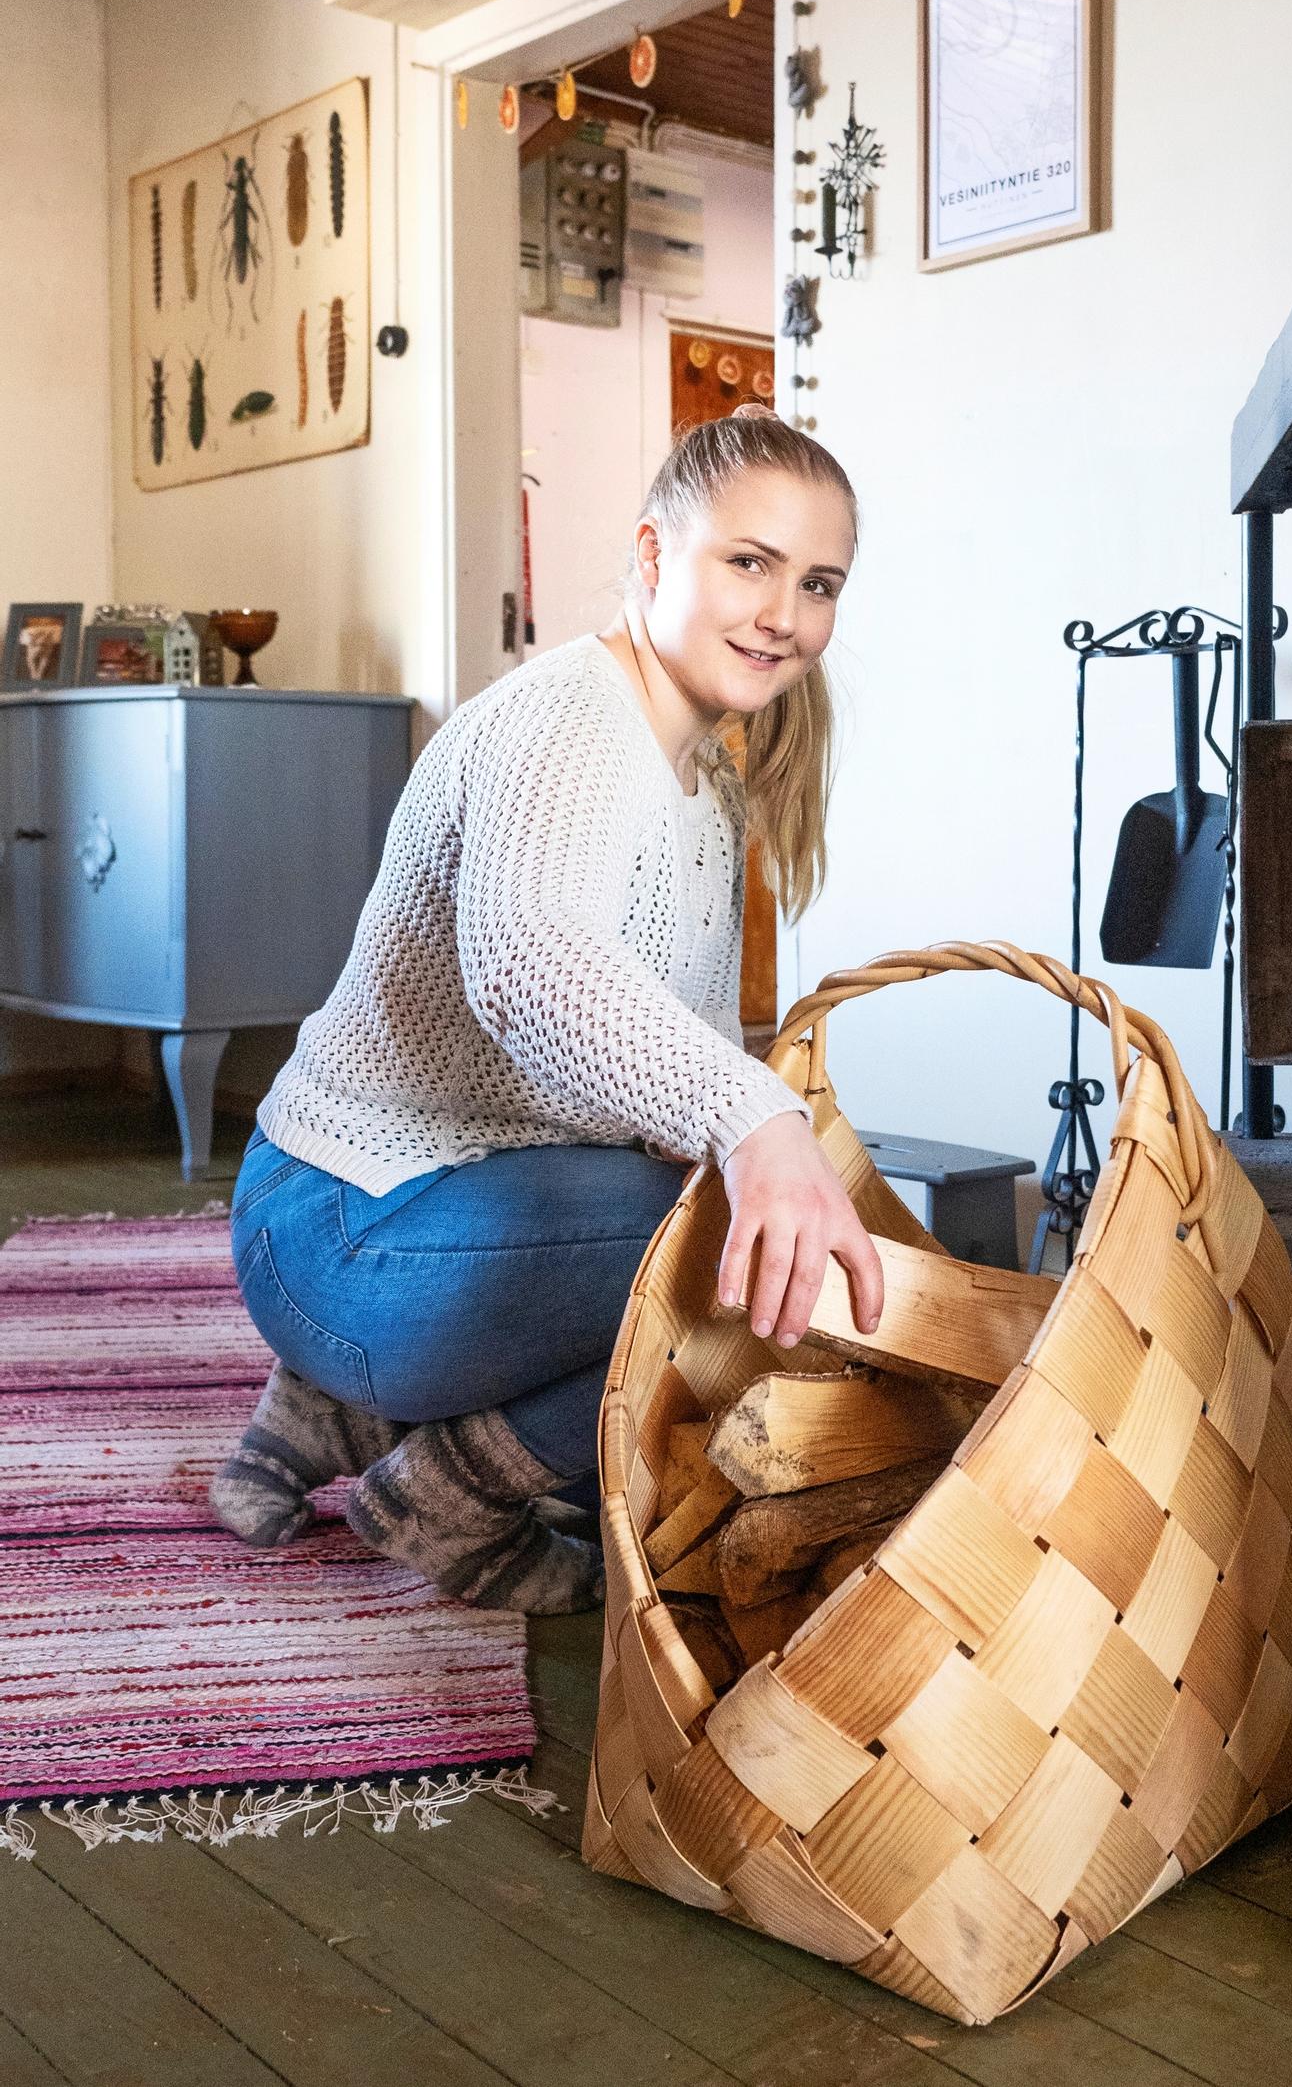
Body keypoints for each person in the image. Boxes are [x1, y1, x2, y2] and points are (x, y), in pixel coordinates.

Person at [212, 407, 885, 1612]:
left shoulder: (705, 779)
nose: (785, 612)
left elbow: (650, 1061)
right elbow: (530, 967)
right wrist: (758, 1124)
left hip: (443, 1218)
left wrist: (756, 1137)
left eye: (818, 580)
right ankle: (448, 1492)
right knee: (744, 1274)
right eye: (749, 561)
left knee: (746, 1259)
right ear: (649, 554)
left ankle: (340, 1406)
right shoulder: (569, 720)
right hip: (340, 1223)